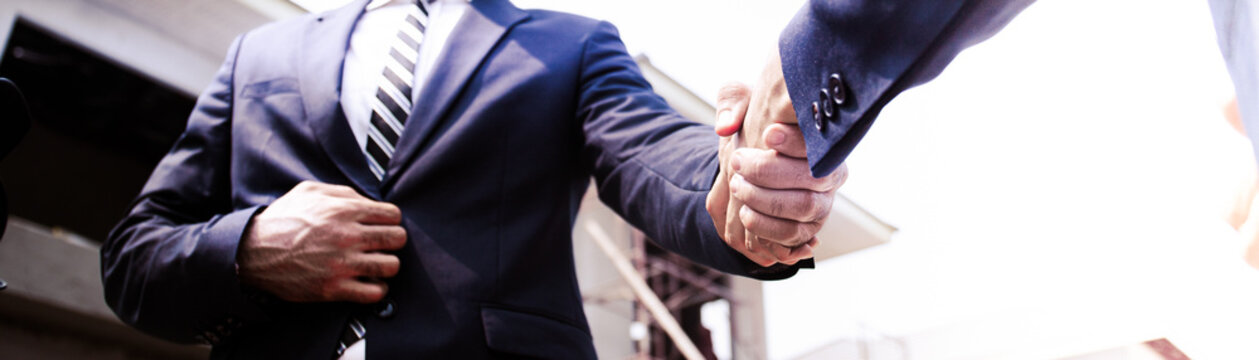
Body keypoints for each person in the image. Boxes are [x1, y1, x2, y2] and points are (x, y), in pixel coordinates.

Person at [100, 0, 842, 358]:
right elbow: (135, 256)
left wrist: (740, 189)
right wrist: (249, 245)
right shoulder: (256, 54)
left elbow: (654, 159)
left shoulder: (571, 45)